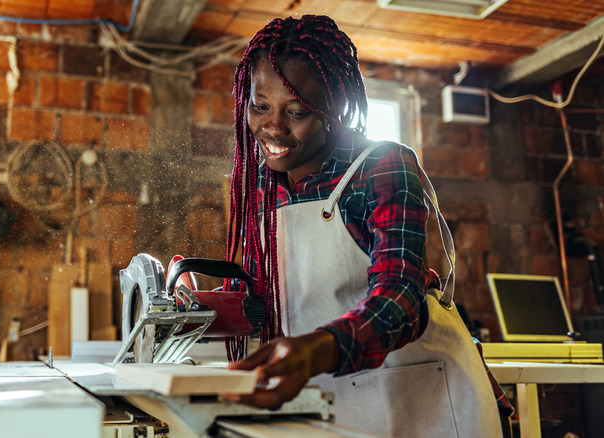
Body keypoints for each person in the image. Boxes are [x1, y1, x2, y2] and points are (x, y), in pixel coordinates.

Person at [220, 15, 513, 437]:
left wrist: (315, 350)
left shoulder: (380, 166)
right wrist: (200, 308)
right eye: (260, 105)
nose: (273, 127)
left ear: (334, 107)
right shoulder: (262, 185)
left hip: (427, 400)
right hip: (335, 402)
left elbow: (401, 300)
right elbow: (267, 300)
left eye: (297, 110)